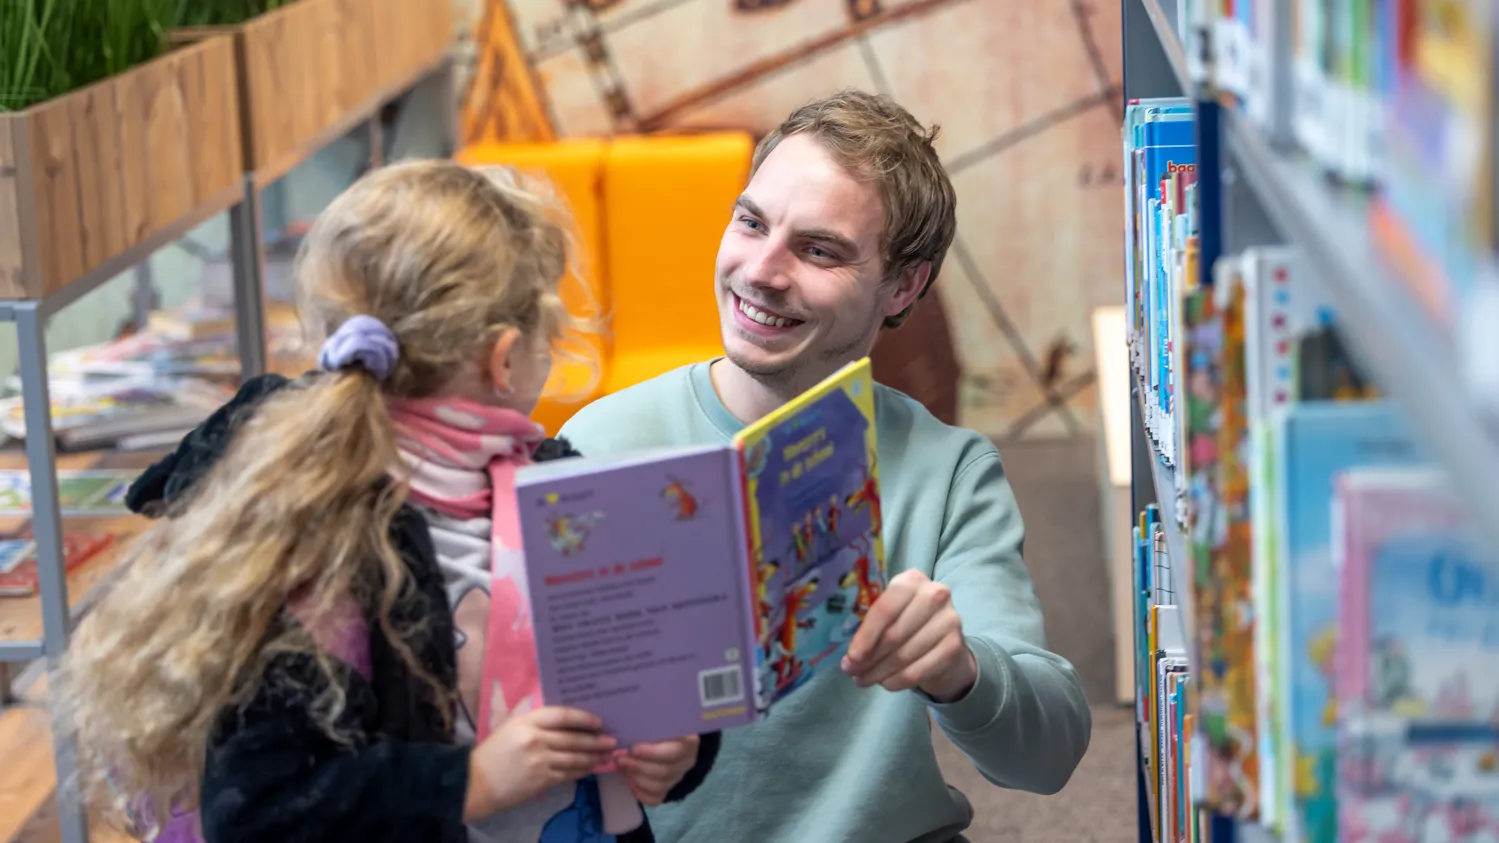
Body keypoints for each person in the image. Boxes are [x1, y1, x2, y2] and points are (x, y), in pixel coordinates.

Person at [60, 160, 717, 843]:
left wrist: (681, 749)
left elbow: (652, 684)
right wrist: (472, 780)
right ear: (506, 357)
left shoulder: (561, 486)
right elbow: (257, 804)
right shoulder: (324, 525)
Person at [559, 89, 1093, 842]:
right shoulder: (597, 443)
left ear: (903, 286)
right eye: (749, 222)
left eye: (818, 249)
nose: (761, 270)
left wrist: (959, 669)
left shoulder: (948, 471)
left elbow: (1050, 755)